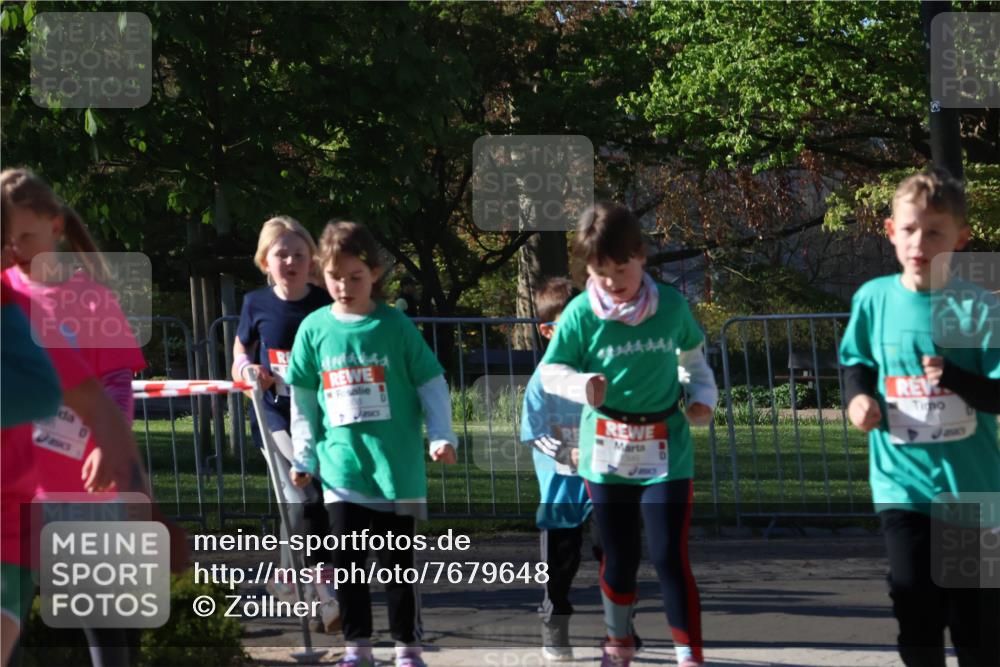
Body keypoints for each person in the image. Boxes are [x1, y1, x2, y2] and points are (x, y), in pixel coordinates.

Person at [0, 168, 186, 667]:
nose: (16, 249)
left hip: (82, 492)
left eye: (26, 237)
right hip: (17, 493)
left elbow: (115, 382)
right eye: (6, 239)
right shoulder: (4, 297)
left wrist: (109, 445)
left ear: (56, 228)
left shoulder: (90, 298)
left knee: (105, 628)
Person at [538, 203, 717, 667]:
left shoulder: (672, 305)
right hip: (607, 450)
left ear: (641, 256)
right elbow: (550, 371)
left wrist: (702, 398)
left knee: (668, 554)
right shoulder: (580, 314)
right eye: (600, 272)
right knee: (619, 556)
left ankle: (689, 655)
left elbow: (694, 361)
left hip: (665, 449)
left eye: (622, 269)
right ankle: (617, 643)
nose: (613, 282)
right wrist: (582, 386)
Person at [839, 169, 1000, 667]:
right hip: (901, 484)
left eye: (934, 232)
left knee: (976, 626)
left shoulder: (979, 308)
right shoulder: (873, 298)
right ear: (890, 231)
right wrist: (857, 400)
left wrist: (955, 377)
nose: (920, 242)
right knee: (915, 604)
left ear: (961, 238)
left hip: (971, 488)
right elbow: (856, 362)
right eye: (909, 230)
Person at [286, 221, 458, 667]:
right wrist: (303, 455)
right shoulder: (313, 329)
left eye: (355, 277)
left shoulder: (396, 326)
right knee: (348, 564)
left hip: (395, 470)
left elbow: (432, 382)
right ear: (321, 274)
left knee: (398, 568)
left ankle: (407, 648)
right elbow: (304, 401)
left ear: (375, 274)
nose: (344, 287)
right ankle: (357, 648)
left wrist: (441, 435)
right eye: (334, 277)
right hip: (341, 469)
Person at [231, 215, 339, 632]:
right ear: (265, 261)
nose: (291, 261)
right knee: (303, 492)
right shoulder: (255, 303)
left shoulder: (325, 302)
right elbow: (242, 347)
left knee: (307, 502)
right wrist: (246, 369)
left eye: (299, 253)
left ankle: (287, 578)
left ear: (311, 260)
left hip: (319, 415)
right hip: (274, 415)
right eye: (282, 254)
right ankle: (321, 591)